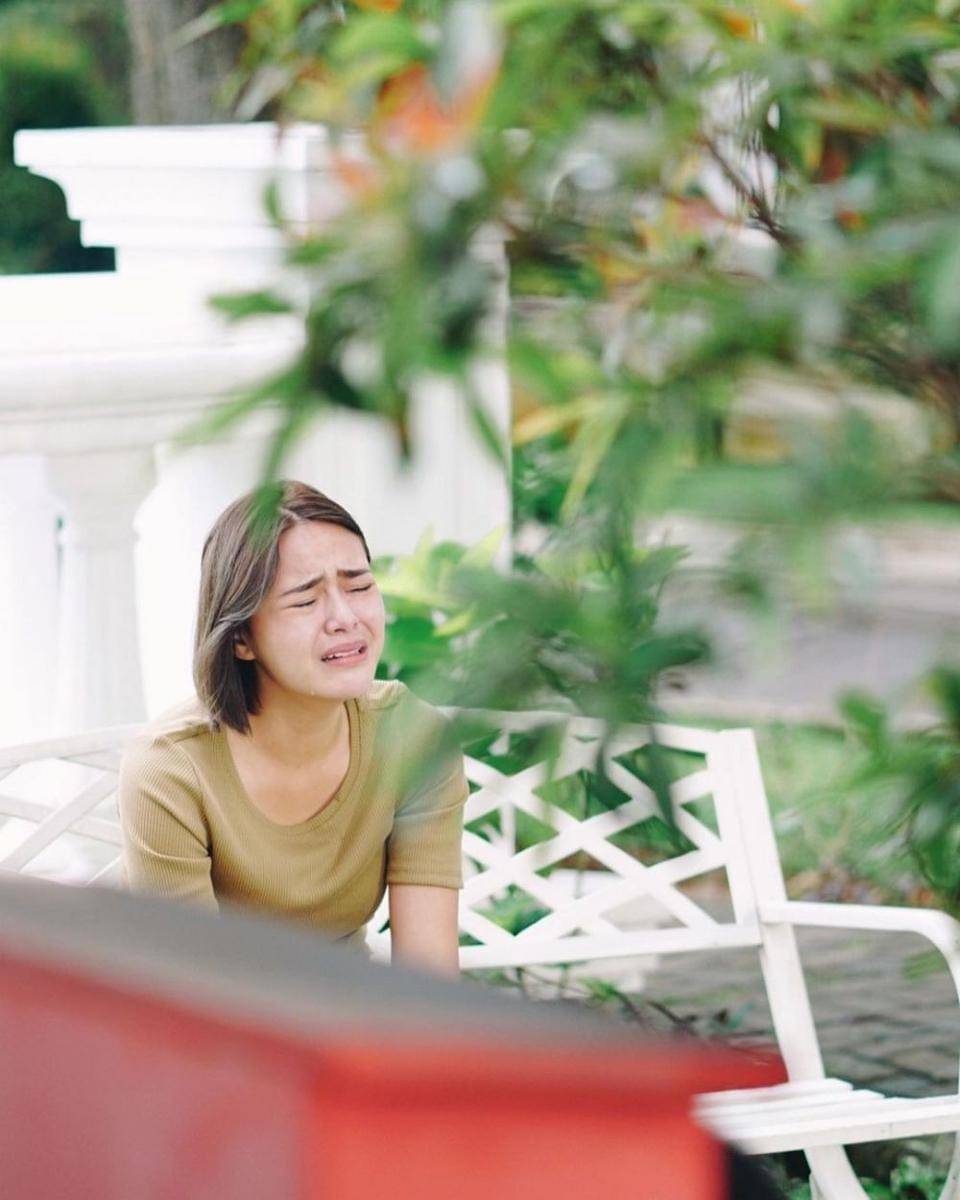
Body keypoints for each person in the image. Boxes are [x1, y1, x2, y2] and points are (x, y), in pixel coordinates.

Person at [117, 479, 468, 979]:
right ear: (241, 637)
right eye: (306, 601)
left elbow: (428, 979)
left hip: (350, 1013)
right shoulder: (171, 772)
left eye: (360, 587)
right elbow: (192, 992)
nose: (345, 618)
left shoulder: (414, 739)